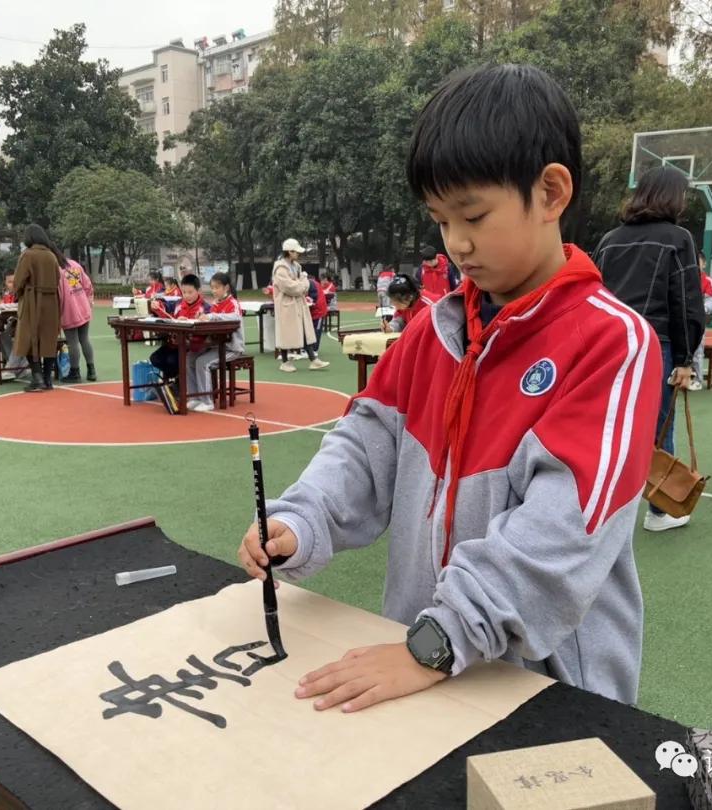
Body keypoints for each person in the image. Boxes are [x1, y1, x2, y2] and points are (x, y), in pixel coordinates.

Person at [238, 64, 661, 710]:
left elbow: (561, 534)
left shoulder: (612, 343)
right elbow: (362, 446)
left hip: (547, 694)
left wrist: (435, 641)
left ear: (550, 193)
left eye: (473, 215)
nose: (456, 243)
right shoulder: (431, 333)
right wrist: (301, 518)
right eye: (440, 220)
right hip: (428, 668)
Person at [593, 165, 704, 533]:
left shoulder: (609, 240)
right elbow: (685, 301)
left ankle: (598, 506)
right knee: (658, 426)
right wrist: (687, 359)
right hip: (656, 342)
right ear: (674, 197)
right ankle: (660, 510)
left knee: (607, 423)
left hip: (609, 343)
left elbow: (592, 295)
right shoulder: (678, 238)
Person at [13, 225, 63, 393]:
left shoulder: (27, 255)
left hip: (32, 301)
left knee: (28, 338)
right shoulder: (51, 255)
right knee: (49, 339)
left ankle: (37, 377)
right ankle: (48, 379)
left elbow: (19, 280)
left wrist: (18, 293)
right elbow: (57, 279)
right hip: (51, 302)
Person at [189, 272, 245, 413]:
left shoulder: (233, 303)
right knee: (189, 358)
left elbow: (235, 318)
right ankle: (195, 397)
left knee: (202, 362)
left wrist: (212, 316)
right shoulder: (215, 304)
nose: (214, 291)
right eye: (212, 288)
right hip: (216, 346)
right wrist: (201, 317)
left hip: (232, 348)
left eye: (216, 288)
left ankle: (207, 401)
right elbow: (210, 320)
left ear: (226, 288)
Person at [272, 239, 328, 372]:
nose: (298, 254)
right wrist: (302, 284)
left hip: (298, 304)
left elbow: (303, 283)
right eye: (296, 252)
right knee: (286, 333)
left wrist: (301, 284)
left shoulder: (296, 266)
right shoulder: (280, 268)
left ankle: (313, 359)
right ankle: (285, 362)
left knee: (304, 330)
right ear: (289, 252)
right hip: (286, 305)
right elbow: (290, 287)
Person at [149, 274, 210, 382]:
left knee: (172, 361)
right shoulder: (178, 304)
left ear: (198, 291)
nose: (187, 295)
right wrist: (156, 305)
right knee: (155, 358)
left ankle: (178, 382)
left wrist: (191, 321)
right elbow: (165, 307)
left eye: (190, 292)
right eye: (184, 292)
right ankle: (177, 380)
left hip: (191, 347)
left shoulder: (205, 308)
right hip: (174, 345)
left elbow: (208, 327)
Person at [58, 254, 96, 383]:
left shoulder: (56, 269)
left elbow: (59, 294)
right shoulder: (74, 264)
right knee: (84, 339)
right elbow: (87, 284)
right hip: (83, 305)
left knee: (72, 342)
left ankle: (75, 372)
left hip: (69, 309)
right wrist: (87, 299)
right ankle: (91, 370)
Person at [690, 252, 712, 391]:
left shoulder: (706, 280)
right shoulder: (682, 278)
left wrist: (702, 309)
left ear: (704, 264)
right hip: (680, 320)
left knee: (697, 350)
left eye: (698, 262)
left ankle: (697, 379)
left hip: (697, 320)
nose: (695, 265)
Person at [307, 271, 328, 356]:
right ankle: (310, 348)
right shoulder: (314, 283)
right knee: (312, 329)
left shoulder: (311, 284)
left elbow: (313, 298)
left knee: (317, 330)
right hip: (314, 310)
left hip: (318, 311)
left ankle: (315, 349)